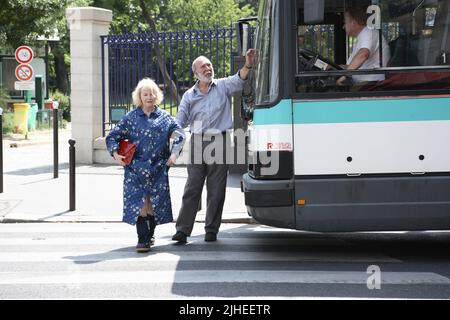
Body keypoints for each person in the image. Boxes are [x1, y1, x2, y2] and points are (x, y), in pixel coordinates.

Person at [172, 49, 256, 243]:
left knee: (216, 189)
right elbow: (180, 120)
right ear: (196, 73)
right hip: (198, 142)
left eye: (209, 65)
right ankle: (183, 230)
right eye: (203, 66)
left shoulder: (223, 86)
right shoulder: (189, 96)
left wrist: (248, 64)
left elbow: (240, 78)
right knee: (192, 187)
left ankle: (211, 229)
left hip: (220, 140)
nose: (208, 68)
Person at [106, 78, 185, 253]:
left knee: (154, 204)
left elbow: (180, 135)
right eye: (145, 94)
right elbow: (112, 136)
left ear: (157, 96)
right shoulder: (131, 118)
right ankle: (142, 239)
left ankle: (150, 234)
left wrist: (174, 154)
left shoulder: (165, 118)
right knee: (141, 203)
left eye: (152, 93)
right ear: (139, 97)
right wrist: (115, 153)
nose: (149, 97)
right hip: (135, 169)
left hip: (158, 169)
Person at [337, 5, 391, 85]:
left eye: (345, 22)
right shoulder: (361, 38)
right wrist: (330, 68)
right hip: (363, 84)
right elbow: (349, 66)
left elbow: (363, 54)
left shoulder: (369, 32)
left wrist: (345, 75)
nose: (343, 26)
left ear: (353, 22)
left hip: (371, 85)